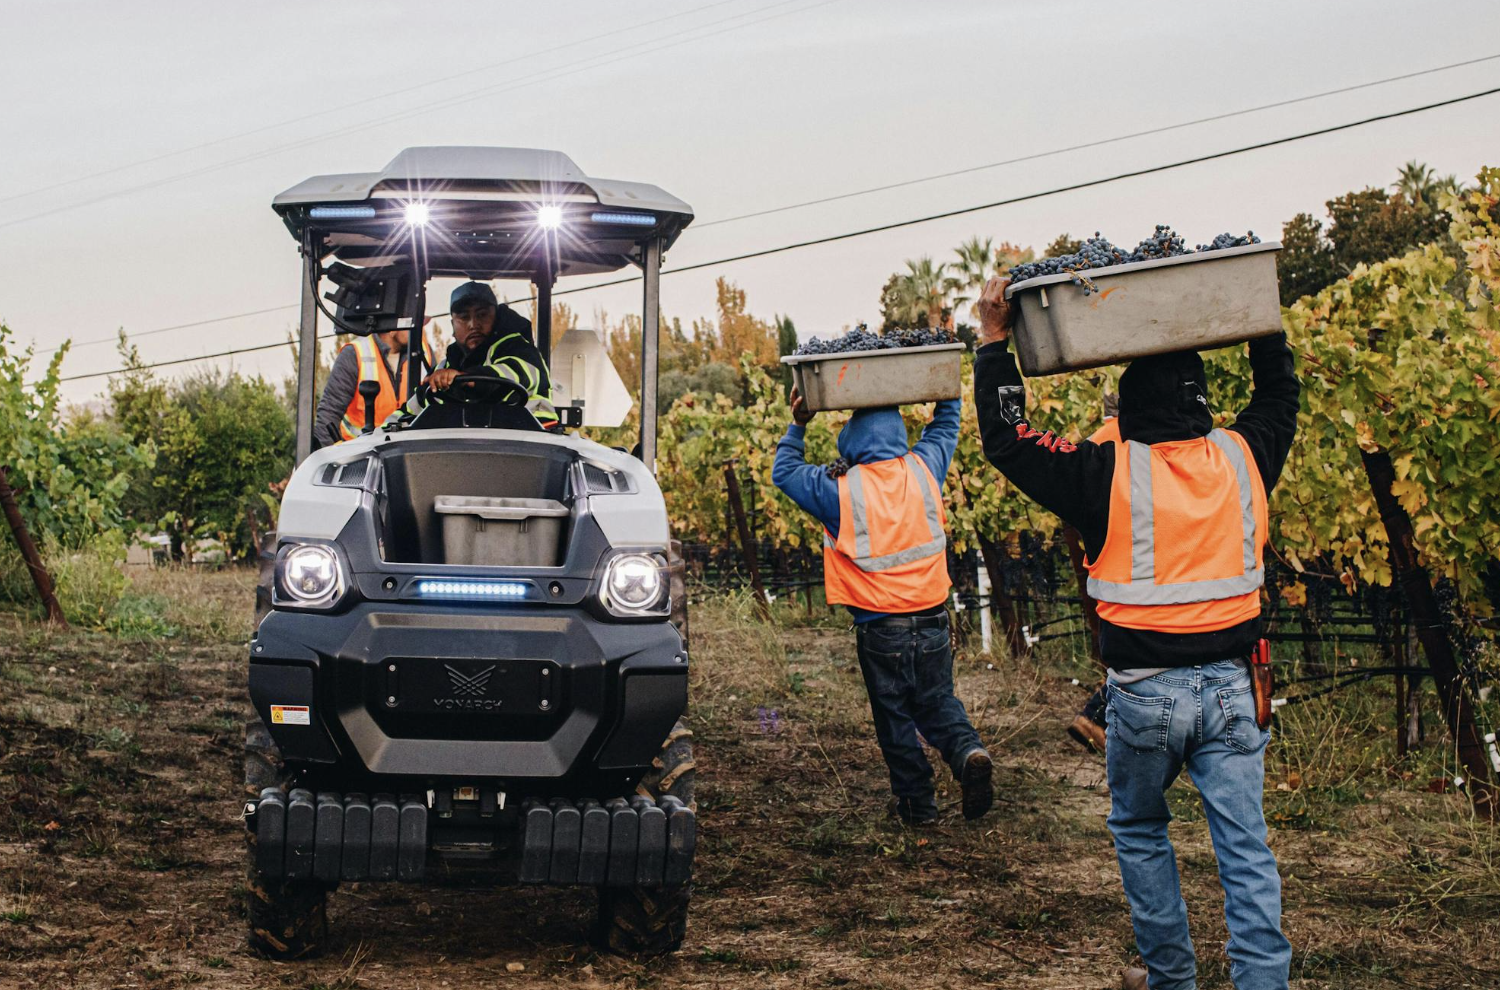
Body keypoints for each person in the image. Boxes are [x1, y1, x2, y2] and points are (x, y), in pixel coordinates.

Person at [971, 275, 1299, 990]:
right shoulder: (1245, 458)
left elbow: (1008, 441)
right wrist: (1257, 320)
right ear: (1204, 407)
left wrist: (997, 343)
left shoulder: (1104, 472)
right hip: (1238, 692)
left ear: (1130, 411)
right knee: (1245, 848)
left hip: (1145, 696)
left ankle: (1171, 981)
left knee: (1143, 830)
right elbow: (1279, 395)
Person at [772, 388, 994, 825]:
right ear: (898, 435)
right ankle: (968, 752)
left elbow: (785, 472)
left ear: (851, 442)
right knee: (937, 701)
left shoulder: (838, 489)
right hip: (932, 619)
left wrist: (799, 421)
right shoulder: (924, 466)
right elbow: (947, 423)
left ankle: (918, 807)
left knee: (894, 718)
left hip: (881, 628)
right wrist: (942, 384)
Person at [398, 281, 559, 429]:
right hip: (462, 451)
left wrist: (464, 378)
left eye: (482, 315)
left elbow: (512, 375)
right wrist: (385, 430)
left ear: (496, 317)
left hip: (534, 447)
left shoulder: (520, 350)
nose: (474, 325)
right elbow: (410, 411)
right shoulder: (444, 369)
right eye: (464, 317)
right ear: (452, 325)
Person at [312, 322, 436, 448]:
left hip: (410, 454)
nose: (421, 332)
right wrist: (331, 461)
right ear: (392, 330)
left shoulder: (425, 353)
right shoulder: (354, 354)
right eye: (413, 325)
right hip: (359, 457)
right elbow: (328, 416)